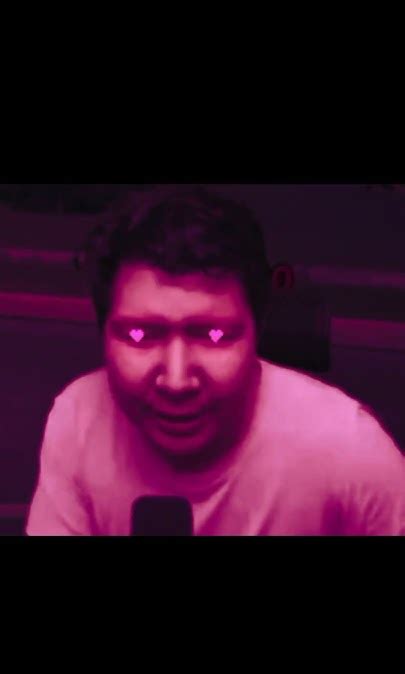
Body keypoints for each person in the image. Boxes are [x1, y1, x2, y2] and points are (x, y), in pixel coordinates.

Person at [26, 185, 405, 536]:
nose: (176, 381)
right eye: (140, 335)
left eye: (215, 336)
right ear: (103, 335)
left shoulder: (348, 449)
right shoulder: (80, 420)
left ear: (257, 332)